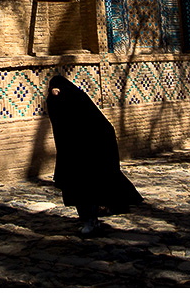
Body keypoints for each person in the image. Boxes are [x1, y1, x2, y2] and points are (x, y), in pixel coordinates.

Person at [45, 74, 142, 234]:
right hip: (75, 152)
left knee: (87, 185)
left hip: (89, 152)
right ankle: (95, 215)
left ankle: (92, 220)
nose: (54, 97)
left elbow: (97, 131)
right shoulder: (68, 101)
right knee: (84, 185)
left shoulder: (77, 105)